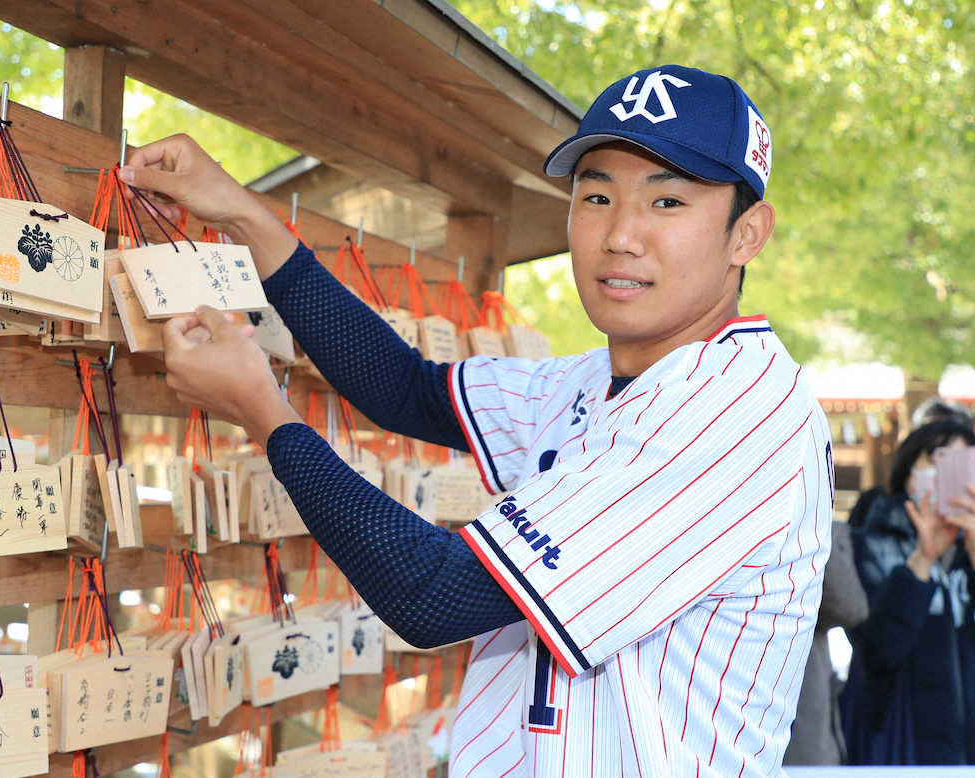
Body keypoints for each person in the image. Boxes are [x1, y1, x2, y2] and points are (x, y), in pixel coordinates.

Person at [121, 64, 832, 777]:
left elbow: (434, 594)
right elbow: (405, 389)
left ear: (747, 234)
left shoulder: (738, 411)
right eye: (597, 195)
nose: (621, 234)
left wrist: (264, 413)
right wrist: (244, 215)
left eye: (668, 201)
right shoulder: (597, 378)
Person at [841, 417, 975, 764]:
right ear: (908, 471)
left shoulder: (967, 551)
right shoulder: (869, 543)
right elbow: (879, 652)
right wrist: (923, 558)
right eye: (938, 460)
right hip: (896, 743)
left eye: (964, 465)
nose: (951, 477)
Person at [783, 518, 868, 765]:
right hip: (793, 736)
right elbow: (852, 607)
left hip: (801, 726)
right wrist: (818, 521)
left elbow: (851, 607)